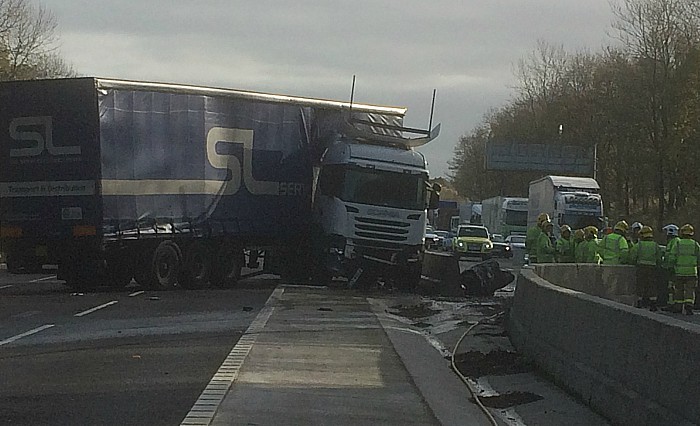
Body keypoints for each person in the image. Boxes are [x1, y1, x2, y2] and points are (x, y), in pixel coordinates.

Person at [665, 224, 700, 315]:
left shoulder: (678, 243)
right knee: (690, 290)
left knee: (678, 289)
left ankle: (678, 307)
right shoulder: (695, 244)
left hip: (679, 272)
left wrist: (670, 266)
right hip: (692, 272)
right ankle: (689, 306)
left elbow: (672, 257)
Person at [628, 226, 662, 311]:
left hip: (641, 267)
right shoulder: (655, 245)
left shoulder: (638, 245)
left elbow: (632, 257)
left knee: (640, 284)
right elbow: (659, 258)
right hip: (652, 268)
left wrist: (632, 263)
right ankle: (653, 304)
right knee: (652, 285)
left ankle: (639, 302)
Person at [660, 224, 680, 307]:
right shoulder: (673, 241)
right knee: (671, 286)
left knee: (672, 287)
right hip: (672, 268)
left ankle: (671, 304)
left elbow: (672, 256)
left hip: (672, 269)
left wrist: (668, 266)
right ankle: (671, 303)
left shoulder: (674, 242)